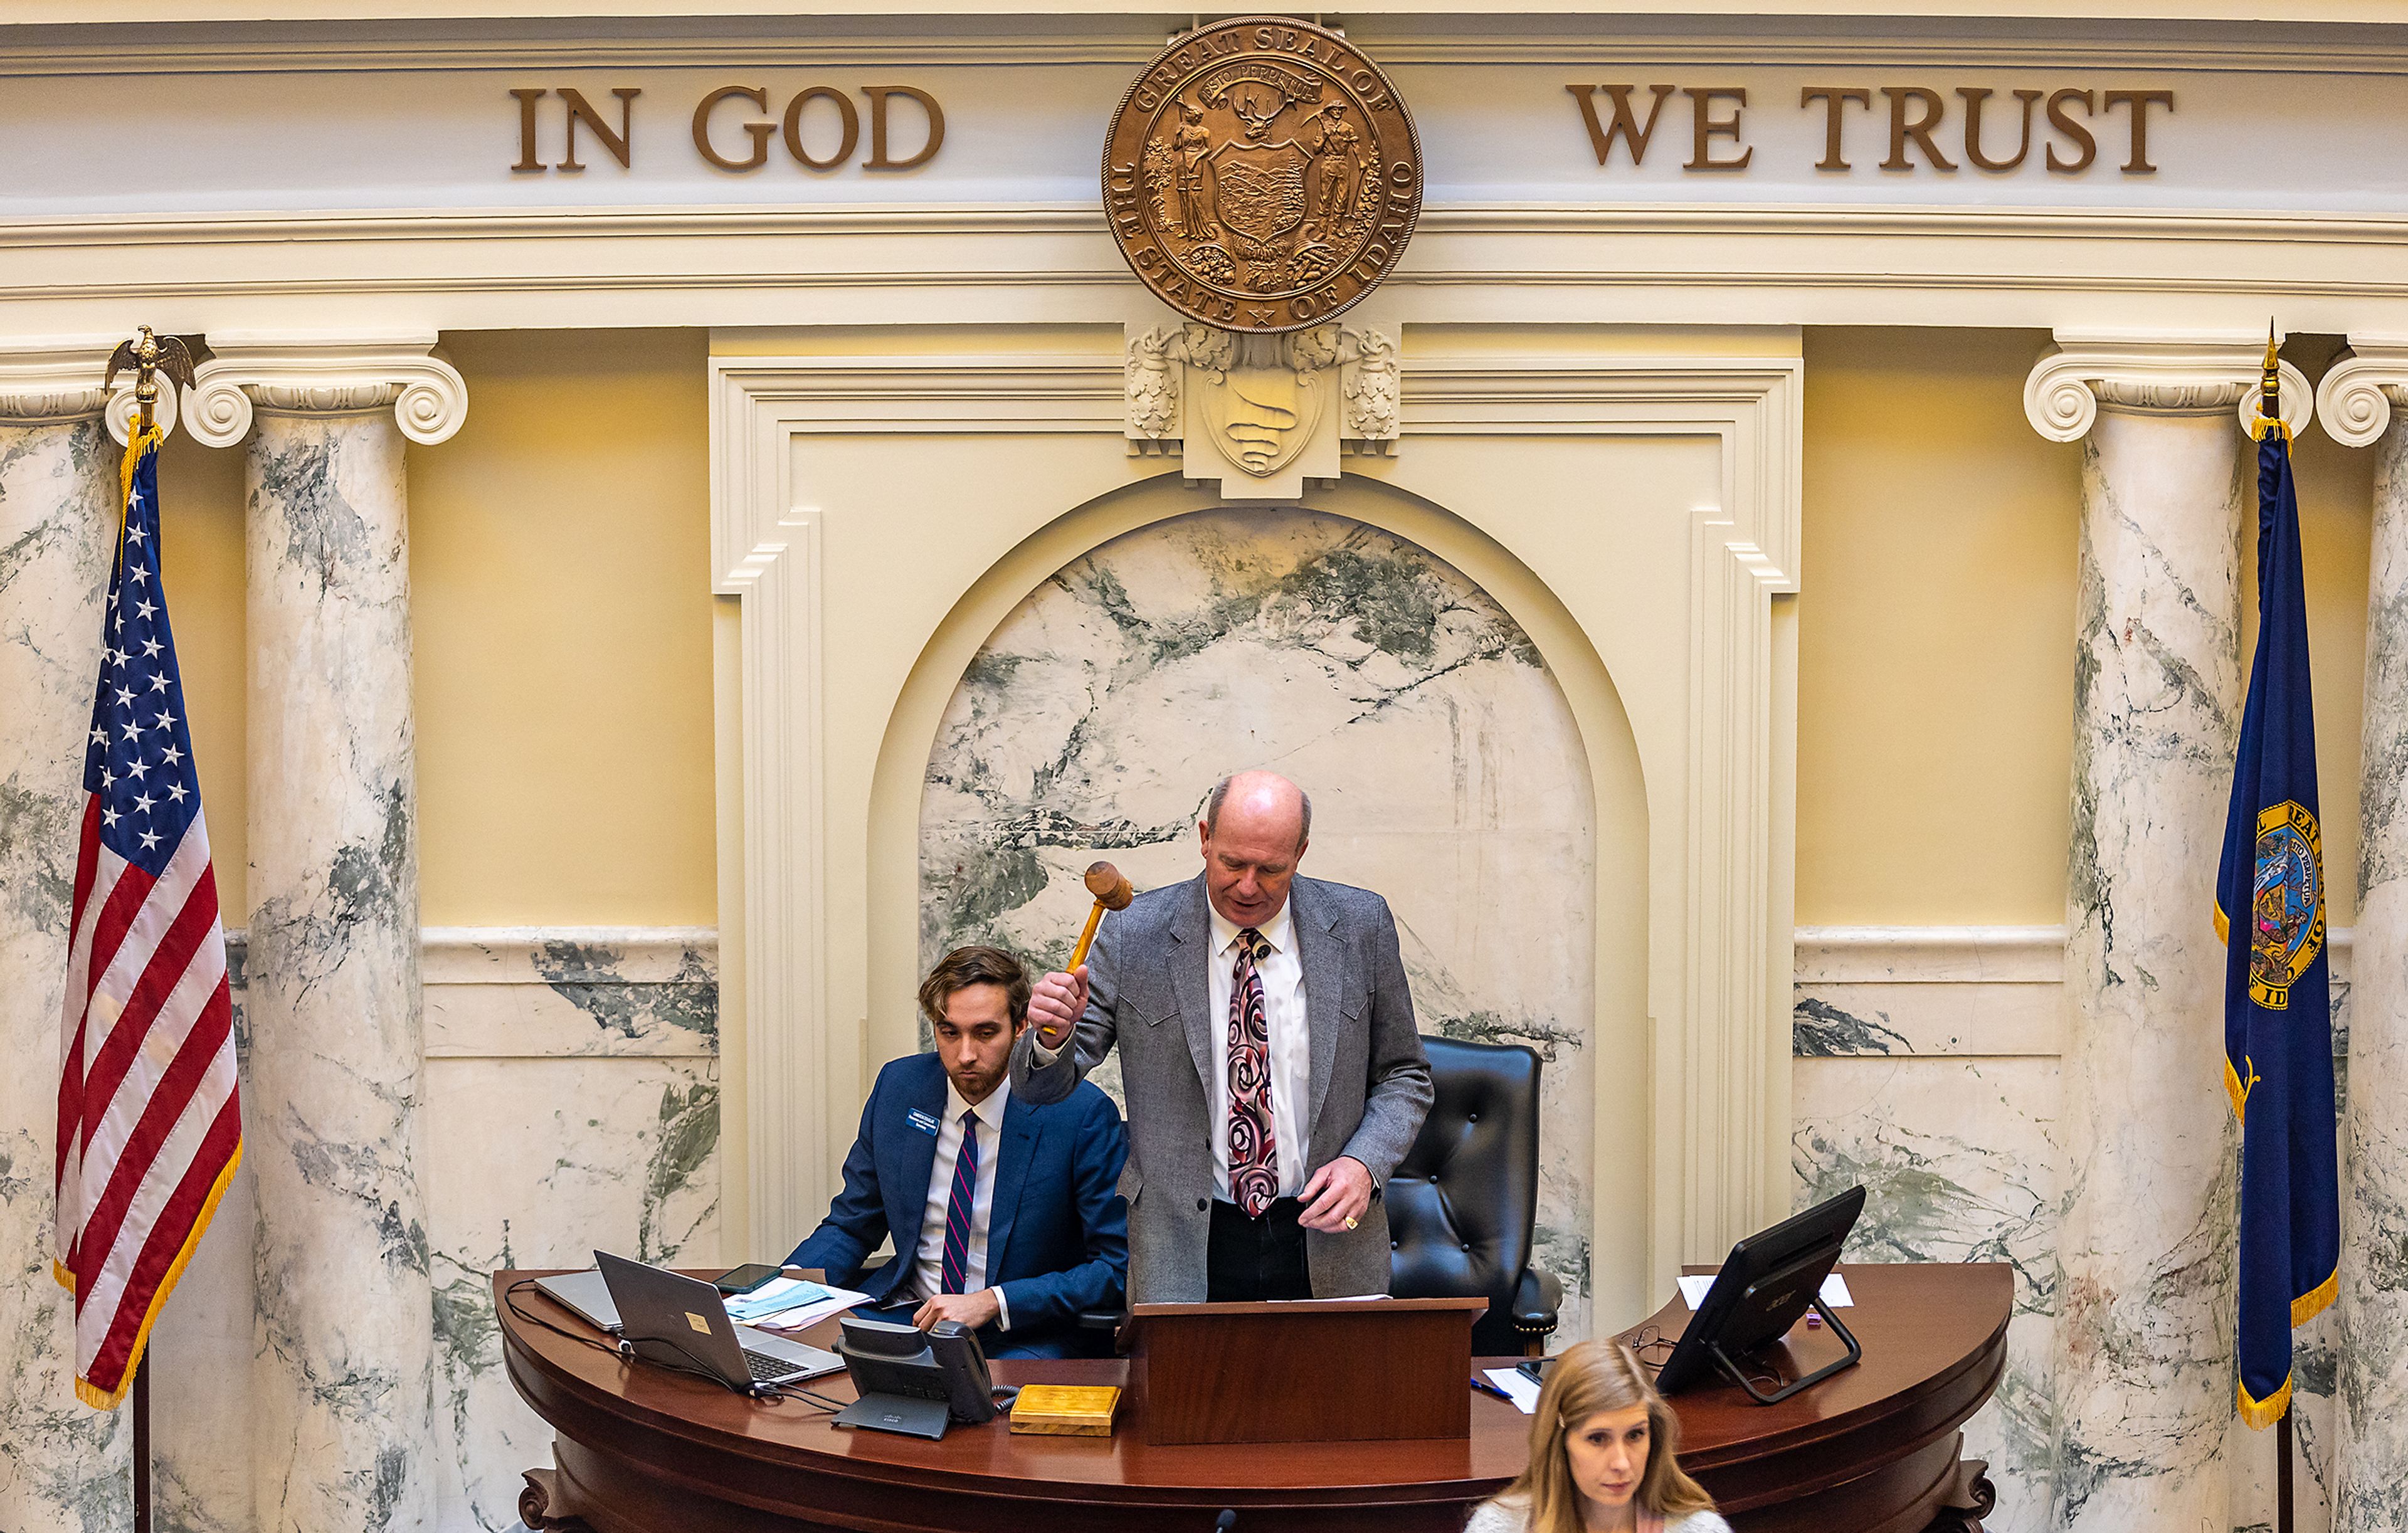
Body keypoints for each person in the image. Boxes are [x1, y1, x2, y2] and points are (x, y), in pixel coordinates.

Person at [1011, 769, 1432, 1303]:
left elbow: (1405, 1074)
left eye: (1271, 869)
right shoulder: (1131, 932)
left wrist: (1364, 1163)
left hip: (1329, 1239)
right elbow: (1039, 1089)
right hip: (1184, 1246)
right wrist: (1051, 1038)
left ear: (1300, 853)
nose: (1248, 886)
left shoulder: (1360, 924)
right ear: (1205, 837)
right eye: (1233, 863)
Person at [784, 945, 1127, 1359]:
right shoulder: (901, 1087)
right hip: (909, 1316)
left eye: (985, 1033)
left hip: (1022, 1336)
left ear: (1022, 1027)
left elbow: (1114, 1267)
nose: (965, 1054)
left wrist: (993, 1301)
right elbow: (852, 1225)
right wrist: (782, 1294)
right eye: (950, 1032)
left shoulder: (1080, 1114)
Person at [1465, 1341, 1731, 1533]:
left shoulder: (1698, 1529)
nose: (1622, 1464)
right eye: (1598, 1439)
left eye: (1635, 1435)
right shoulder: (1499, 1528)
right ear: (1560, 1441)